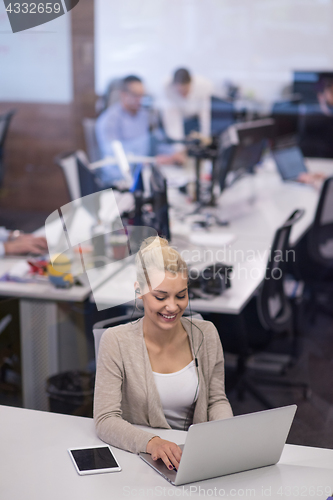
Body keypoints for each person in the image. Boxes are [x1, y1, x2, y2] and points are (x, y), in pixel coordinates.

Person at [94, 236, 233, 471]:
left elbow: (216, 400)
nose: (172, 306)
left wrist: (225, 434)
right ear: (139, 292)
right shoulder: (115, 341)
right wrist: (152, 443)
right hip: (142, 458)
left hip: (193, 458)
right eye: (160, 297)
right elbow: (105, 420)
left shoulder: (206, 334)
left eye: (181, 295)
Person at [95, 75, 185, 185]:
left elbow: (156, 142)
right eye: (136, 95)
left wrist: (173, 153)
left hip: (144, 174)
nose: (140, 100)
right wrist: (152, 161)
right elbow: (115, 154)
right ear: (123, 94)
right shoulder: (108, 120)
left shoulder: (145, 116)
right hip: (118, 179)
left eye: (142, 95)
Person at [160, 68, 213, 148]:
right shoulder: (167, 89)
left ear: (191, 84)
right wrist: (179, 147)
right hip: (180, 116)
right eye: (180, 91)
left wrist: (205, 136)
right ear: (174, 86)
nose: (183, 94)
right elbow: (173, 122)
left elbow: (205, 114)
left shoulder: (203, 86)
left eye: (186, 90)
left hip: (196, 117)